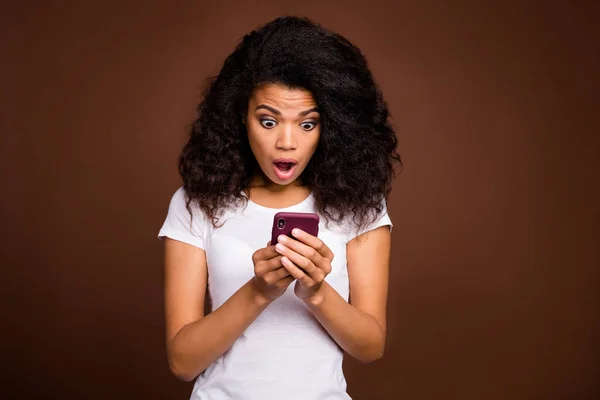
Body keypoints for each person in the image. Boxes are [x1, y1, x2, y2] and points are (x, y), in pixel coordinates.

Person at [157, 15, 402, 400]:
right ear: (241, 117)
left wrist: (316, 291)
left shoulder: (361, 206)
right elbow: (182, 362)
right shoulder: (195, 203)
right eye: (268, 121)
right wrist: (259, 292)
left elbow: (370, 346)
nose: (287, 142)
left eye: (307, 124)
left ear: (332, 127)